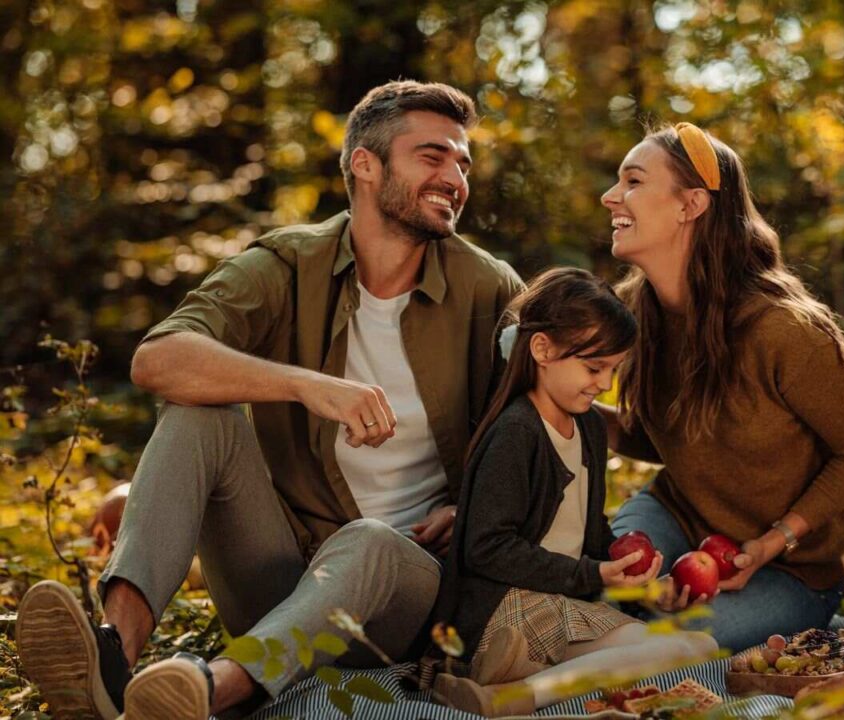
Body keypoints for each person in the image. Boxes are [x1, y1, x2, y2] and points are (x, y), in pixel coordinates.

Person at [14, 80, 524, 720]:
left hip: (408, 600)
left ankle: (207, 691)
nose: (455, 176)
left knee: (366, 541)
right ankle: (113, 659)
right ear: (365, 165)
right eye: (432, 156)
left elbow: (542, 420)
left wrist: (475, 505)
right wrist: (309, 386)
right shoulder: (289, 263)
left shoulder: (489, 287)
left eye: (461, 162)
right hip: (287, 579)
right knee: (201, 414)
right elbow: (159, 358)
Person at [600, 122, 844, 651]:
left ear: (690, 204)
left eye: (633, 181)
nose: (610, 196)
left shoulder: (783, 330)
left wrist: (773, 541)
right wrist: (573, 408)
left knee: (670, 643)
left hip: (792, 570)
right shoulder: (635, 314)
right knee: (594, 586)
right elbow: (673, 442)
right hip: (677, 515)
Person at [427, 267, 719, 717]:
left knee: (697, 646)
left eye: (614, 369)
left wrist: (638, 587)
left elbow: (588, 531)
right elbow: (485, 549)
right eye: (594, 367)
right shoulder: (515, 432)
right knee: (675, 649)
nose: (605, 384)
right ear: (542, 349)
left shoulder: (587, 426)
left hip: (558, 603)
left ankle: (523, 678)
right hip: (502, 611)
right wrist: (594, 576)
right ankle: (505, 694)